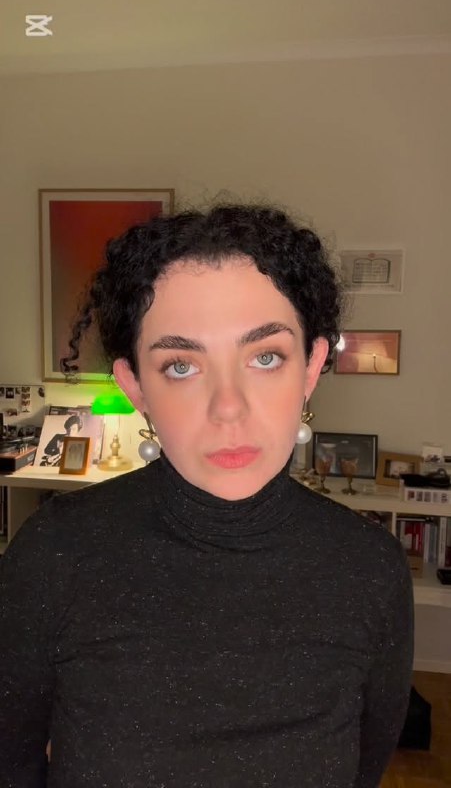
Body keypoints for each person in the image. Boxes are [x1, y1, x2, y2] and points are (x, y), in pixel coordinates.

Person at [0, 203, 413, 787]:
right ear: (135, 387)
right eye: (181, 366)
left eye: (265, 357)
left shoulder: (371, 570)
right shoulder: (54, 555)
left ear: (311, 367)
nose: (228, 408)